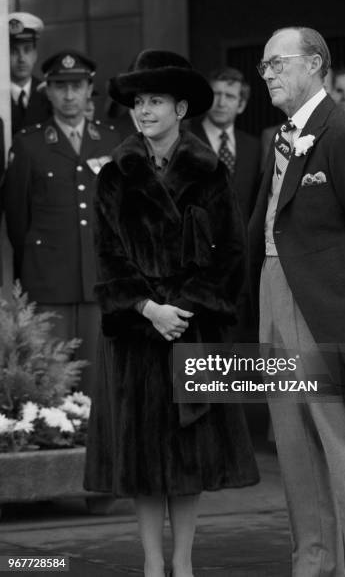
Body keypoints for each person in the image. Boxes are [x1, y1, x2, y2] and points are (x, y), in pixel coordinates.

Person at [83, 50, 259, 577]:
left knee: (189, 455)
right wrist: (148, 308)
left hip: (192, 328)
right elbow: (108, 255)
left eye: (155, 101)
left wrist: (179, 310)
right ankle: (151, 563)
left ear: (181, 107)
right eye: (138, 102)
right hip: (136, 332)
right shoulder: (116, 172)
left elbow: (232, 254)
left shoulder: (209, 172)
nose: (144, 110)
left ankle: (182, 562)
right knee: (140, 455)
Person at [249, 27, 345, 576]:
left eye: (275, 64)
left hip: (328, 302)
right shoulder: (283, 135)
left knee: (341, 442)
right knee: (292, 441)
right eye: (263, 67)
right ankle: (312, 564)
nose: (268, 75)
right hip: (272, 289)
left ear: (314, 64)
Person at [4, 50, 120, 392]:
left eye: (77, 86)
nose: (69, 95)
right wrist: (36, 265)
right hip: (48, 278)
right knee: (52, 380)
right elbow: (17, 218)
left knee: (98, 381)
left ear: (89, 90)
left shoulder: (112, 140)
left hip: (99, 278)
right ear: (48, 92)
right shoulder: (28, 145)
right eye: (60, 87)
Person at [190, 67, 260, 224]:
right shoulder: (184, 140)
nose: (221, 103)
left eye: (229, 96)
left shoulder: (254, 147)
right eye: (216, 94)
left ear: (241, 105)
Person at [9, 12, 51, 135]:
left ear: (35, 55)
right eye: (14, 51)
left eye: (27, 50)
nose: (21, 58)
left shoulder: (49, 95)